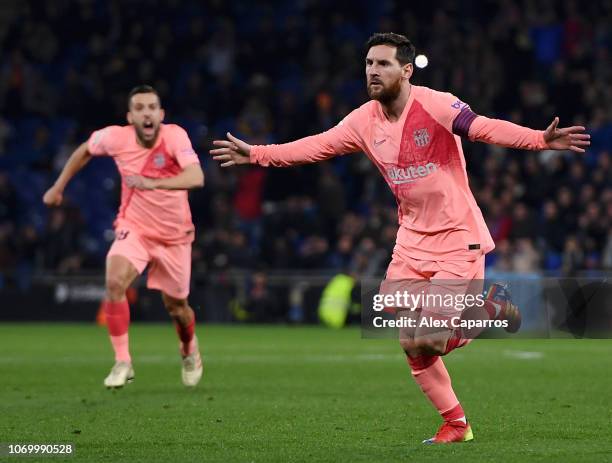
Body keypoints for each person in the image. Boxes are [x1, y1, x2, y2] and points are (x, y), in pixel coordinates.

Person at [210, 33, 590, 443]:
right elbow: (316, 146)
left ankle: (493, 308)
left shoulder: (437, 104)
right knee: (410, 343)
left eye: (383, 64)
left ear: (406, 70)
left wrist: (538, 139)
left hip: (457, 237)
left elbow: (482, 128)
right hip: (411, 241)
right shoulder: (362, 120)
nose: (373, 71)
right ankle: (456, 425)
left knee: (430, 338)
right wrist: (257, 154)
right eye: (369, 63)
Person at [43, 85, 205, 388]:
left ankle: (189, 349)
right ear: (130, 117)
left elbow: (196, 177)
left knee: (177, 309)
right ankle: (122, 361)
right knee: (114, 282)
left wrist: (151, 183)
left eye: (152, 107)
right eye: (140, 108)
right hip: (136, 228)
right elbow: (85, 150)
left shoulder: (175, 136)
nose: (147, 113)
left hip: (174, 236)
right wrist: (58, 187)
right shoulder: (116, 137)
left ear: (161, 114)